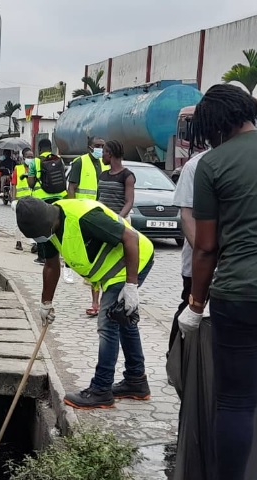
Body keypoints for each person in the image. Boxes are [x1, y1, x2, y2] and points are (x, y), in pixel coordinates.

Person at [178, 84, 257, 480]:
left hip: (239, 295)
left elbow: (205, 248)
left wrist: (195, 305)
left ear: (214, 126)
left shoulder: (212, 164)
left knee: (236, 401)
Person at [16, 196, 154, 409]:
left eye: (41, 235)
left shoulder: (85, 217)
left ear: (49, 222)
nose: (42, 240)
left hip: (131, 263)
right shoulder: (48, 229)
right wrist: (45, 303)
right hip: (110, 273)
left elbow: (130, 237)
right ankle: (136, 381)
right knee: (123, 321)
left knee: (108, 326)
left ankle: (101, 390)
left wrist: (131, 286)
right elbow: (52, 266)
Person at [167, 149, 207, 356]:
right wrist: (205, 253)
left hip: (234, 264)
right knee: (189, 310)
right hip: (198, 263)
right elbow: (186, 216)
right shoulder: (196, 165)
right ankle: (175, 361)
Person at [67, 136, 109, 302]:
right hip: (82, 209)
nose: (100, 149)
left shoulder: (104, 163)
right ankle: (74, 268)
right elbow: (72, 187)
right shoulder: (80, 162)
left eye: (102, 146)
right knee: (80, 243)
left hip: (98, 210)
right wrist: (72, 208)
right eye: (97, 146)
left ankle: (90, 275)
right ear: (89, 147)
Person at [27, 138, 67, 265]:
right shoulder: (59, 159)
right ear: (51, 148)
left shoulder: (35, 162)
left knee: (41, 227)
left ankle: (42, 257)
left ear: (39, 149)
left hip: (42, 199)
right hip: (60, 197)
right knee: (57, 227)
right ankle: (58, 255)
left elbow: (31, 183)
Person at [11, 148, 33, 251]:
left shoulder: (34, 168)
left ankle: (34, 244)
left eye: (32, 157)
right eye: (28, 157)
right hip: (20, 199)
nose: (31, 158)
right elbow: (14, 185)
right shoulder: (18, 169)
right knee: (19, 222)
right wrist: (13, 199)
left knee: (33, 221)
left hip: (32, 199)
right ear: (23, 158)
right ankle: (18, 242)